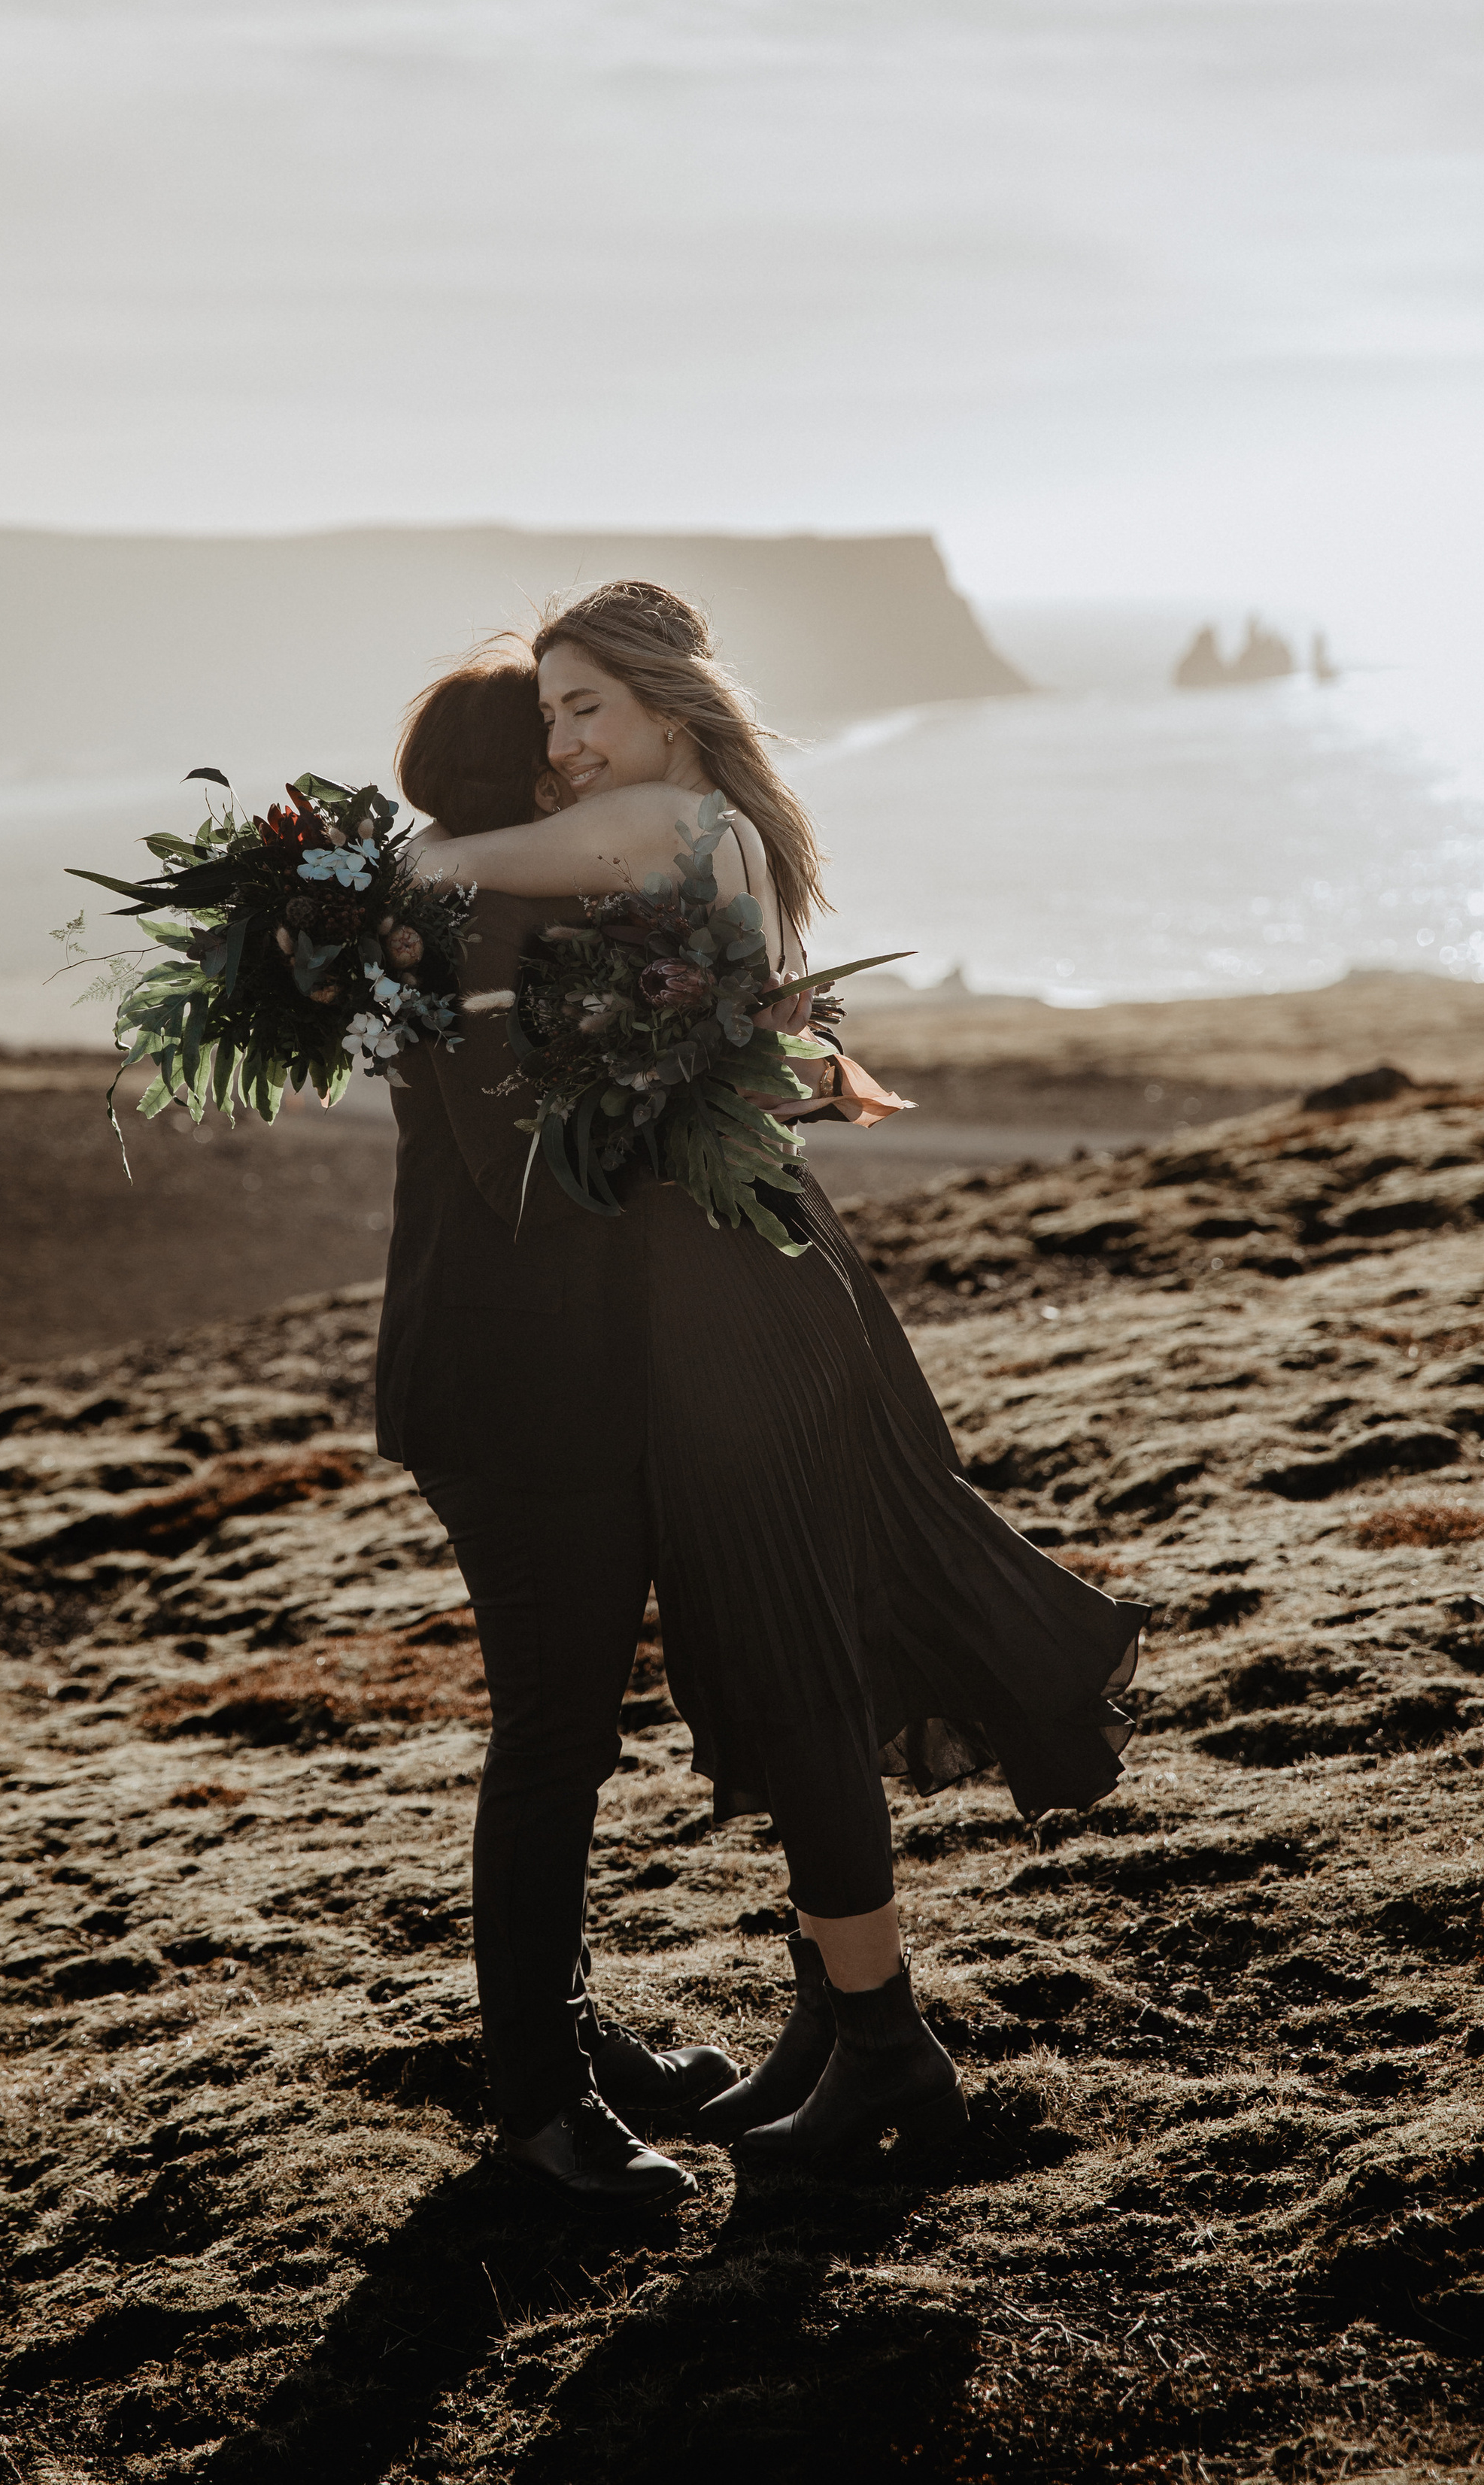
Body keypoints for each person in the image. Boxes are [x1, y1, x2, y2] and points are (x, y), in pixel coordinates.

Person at [410, 583, 1147, 2174]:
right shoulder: (707, 819)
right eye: (543, 718)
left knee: (793, 1650)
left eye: (584, 708)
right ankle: (833, 2016)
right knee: (771, 1647)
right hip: (715, 1279)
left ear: (671, 706)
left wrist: (373, 898)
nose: (562, 744)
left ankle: (880, 2049)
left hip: (734, 1292)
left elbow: (437, 865)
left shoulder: (666, 822)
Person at [374, 650, 737, 2204]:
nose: (572, 758)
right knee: (548, 1743)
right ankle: (538, 2103)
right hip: (506, 1389)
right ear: (511, 776)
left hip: (524, 1377)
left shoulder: (493, 908)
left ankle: (570, 2041)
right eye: (551, 733)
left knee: (570, 1736)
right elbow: (533, 1171)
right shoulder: (484, 923)